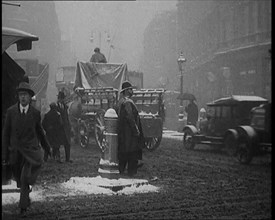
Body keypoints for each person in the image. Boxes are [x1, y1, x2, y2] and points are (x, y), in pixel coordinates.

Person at [2, 82, 51, 217]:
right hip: (15, 153)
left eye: (25, 95)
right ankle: (26, 194)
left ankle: (22, 207)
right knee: (20, 179)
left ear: (30, 97)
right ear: (18, 97)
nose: (23, 97)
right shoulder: (11, 112)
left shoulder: (35, 113)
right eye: (20, 95)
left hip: (30, 152)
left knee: (24, 178)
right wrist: (4, 154)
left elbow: (40, 132)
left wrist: (47, 147)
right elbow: (6, 134)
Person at [116, 81, 145, 177]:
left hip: (123, 133)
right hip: (129, 134)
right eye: (130, 89)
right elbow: (130, 117)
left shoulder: (120, 101)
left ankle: (121, 169)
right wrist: (136, 130)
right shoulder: (128, 102)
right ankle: (131, 171)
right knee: (132, 152)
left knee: (123, 152)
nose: (132, 91)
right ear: (126, 91)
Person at [56, 91, 73, 163]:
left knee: (67, 144)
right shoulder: (56, 107)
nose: (62, 100)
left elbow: (67, 117)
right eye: (61, 98)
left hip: (66, 128)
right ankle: (58, 158)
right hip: (59, 128)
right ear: (59, 99)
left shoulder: (65, 107)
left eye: (63, 98)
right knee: (57, 144)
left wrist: (69, 126)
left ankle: (67, 159)